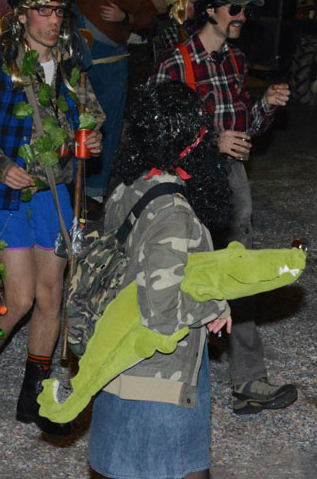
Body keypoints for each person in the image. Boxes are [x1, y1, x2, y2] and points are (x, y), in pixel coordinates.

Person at [0, 0, 104, 436]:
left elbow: (91, 115)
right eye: (43, 10)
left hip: (55, 192)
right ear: (21, 14)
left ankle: (34, 387)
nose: (53, 20)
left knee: (51, 295)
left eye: (59, 11)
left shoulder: (70, 67)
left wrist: (90, 138)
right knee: (18, 298)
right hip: (6, 192)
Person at [151, 0, 296, 415]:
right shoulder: (175, 65)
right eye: (234, 8)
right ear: (209, 10)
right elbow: (156, 136)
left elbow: (244, 127)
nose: (242, 17)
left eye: (246, 10)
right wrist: (213, 142)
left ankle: (249, 381)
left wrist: (265, 107)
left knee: (239, 270)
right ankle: (172, 380)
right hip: (189, 184)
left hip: (231, 179)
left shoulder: (234, 59)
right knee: (185, 275)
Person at [86, 81, 235, 479]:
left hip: (121, 365)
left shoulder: (130, 189)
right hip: (159, 382)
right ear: (192, 141)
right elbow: (163, 312)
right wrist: (213, 306)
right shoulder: (173, 212)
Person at [72, 0, 158, 198]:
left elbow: (148, 17)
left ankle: (95, 191)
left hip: (111, 68)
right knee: (73, 123)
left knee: (106, 127)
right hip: (77, 67)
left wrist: (126, 17)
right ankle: (70, 187)